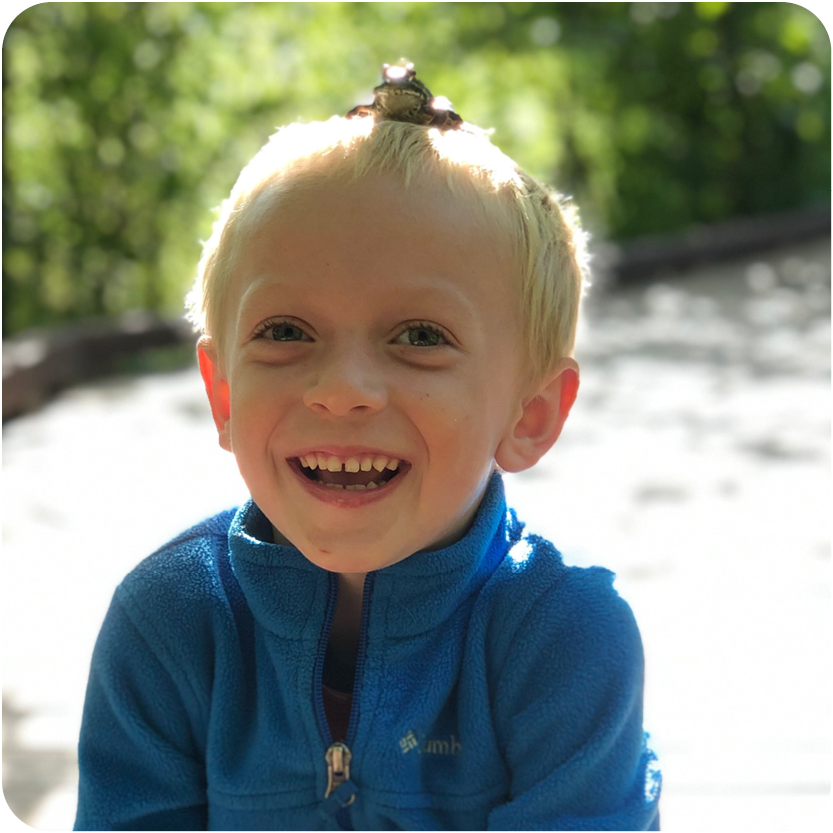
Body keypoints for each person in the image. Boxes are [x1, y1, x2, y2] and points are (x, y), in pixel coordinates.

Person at [74, 69, 661, 831]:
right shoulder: (170, 622)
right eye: (285, 332)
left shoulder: (563, 639)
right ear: (222, 395)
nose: (342, 388)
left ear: (530, 414)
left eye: (419, 337)